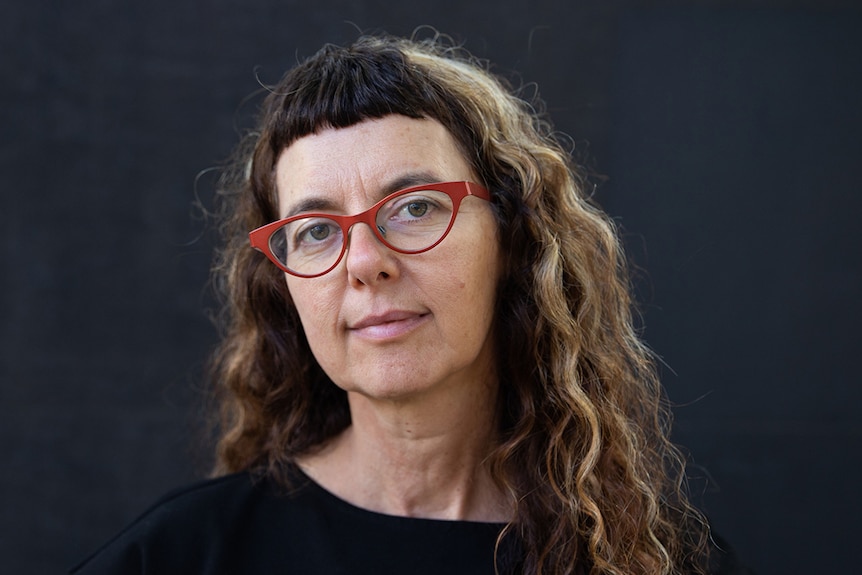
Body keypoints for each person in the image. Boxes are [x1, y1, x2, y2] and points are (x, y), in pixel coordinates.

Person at [71, 34, 751, 575]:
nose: (366, 261)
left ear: (512, 238)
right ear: (283, 283)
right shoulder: (182, 555)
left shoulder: (652, 560)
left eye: (415, 207)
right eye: (314, 229)